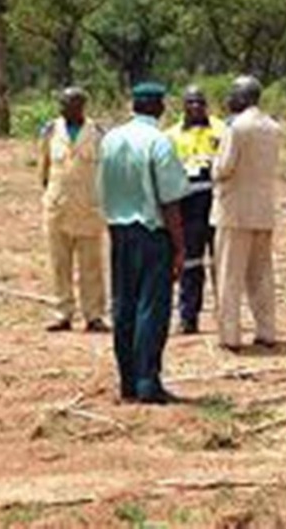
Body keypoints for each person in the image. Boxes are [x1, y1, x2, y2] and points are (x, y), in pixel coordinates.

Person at [99, 82, 189, 404]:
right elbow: (170, 201)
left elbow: (104, 189)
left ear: (133, 105)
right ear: (159, 107)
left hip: (118, 232)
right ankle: (147, 382)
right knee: (151, 308)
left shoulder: (110, 139)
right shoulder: (159, 142)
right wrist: (179, 247)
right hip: (151, 234)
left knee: (124, 306)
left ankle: (127, 382)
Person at [212, 75, 281, 351]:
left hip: (235, 211)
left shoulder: (237, 128)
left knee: (230, 274)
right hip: (263, 210)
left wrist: (213, 165)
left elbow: (224, 167)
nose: (229, 99)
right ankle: (267, 331)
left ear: (242, 97)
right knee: (261, 273)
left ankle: (230, 336)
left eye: (233, 94)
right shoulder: (273, 127)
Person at [39, 87, 108, 334]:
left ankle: (94, 315)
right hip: (58, 208)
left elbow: (105, 170)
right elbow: (44, 171)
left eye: (68, 104)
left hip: (89, 208)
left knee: (92, 266)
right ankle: (62, 313)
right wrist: (52, 197)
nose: (63, 108)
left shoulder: (98, 132)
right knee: (60, 264)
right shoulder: (50, 131)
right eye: (61, 103)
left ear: (81, 106)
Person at [166, 85, 225, 334]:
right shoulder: (170, 135)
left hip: (218, 203)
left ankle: (226, 318)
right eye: (190, 102)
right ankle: (188, 317)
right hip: (187, 206)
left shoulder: (223, 130)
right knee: (191, 263)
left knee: (222, 262)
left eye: (200, 102)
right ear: (183, 106)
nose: (195, 107)